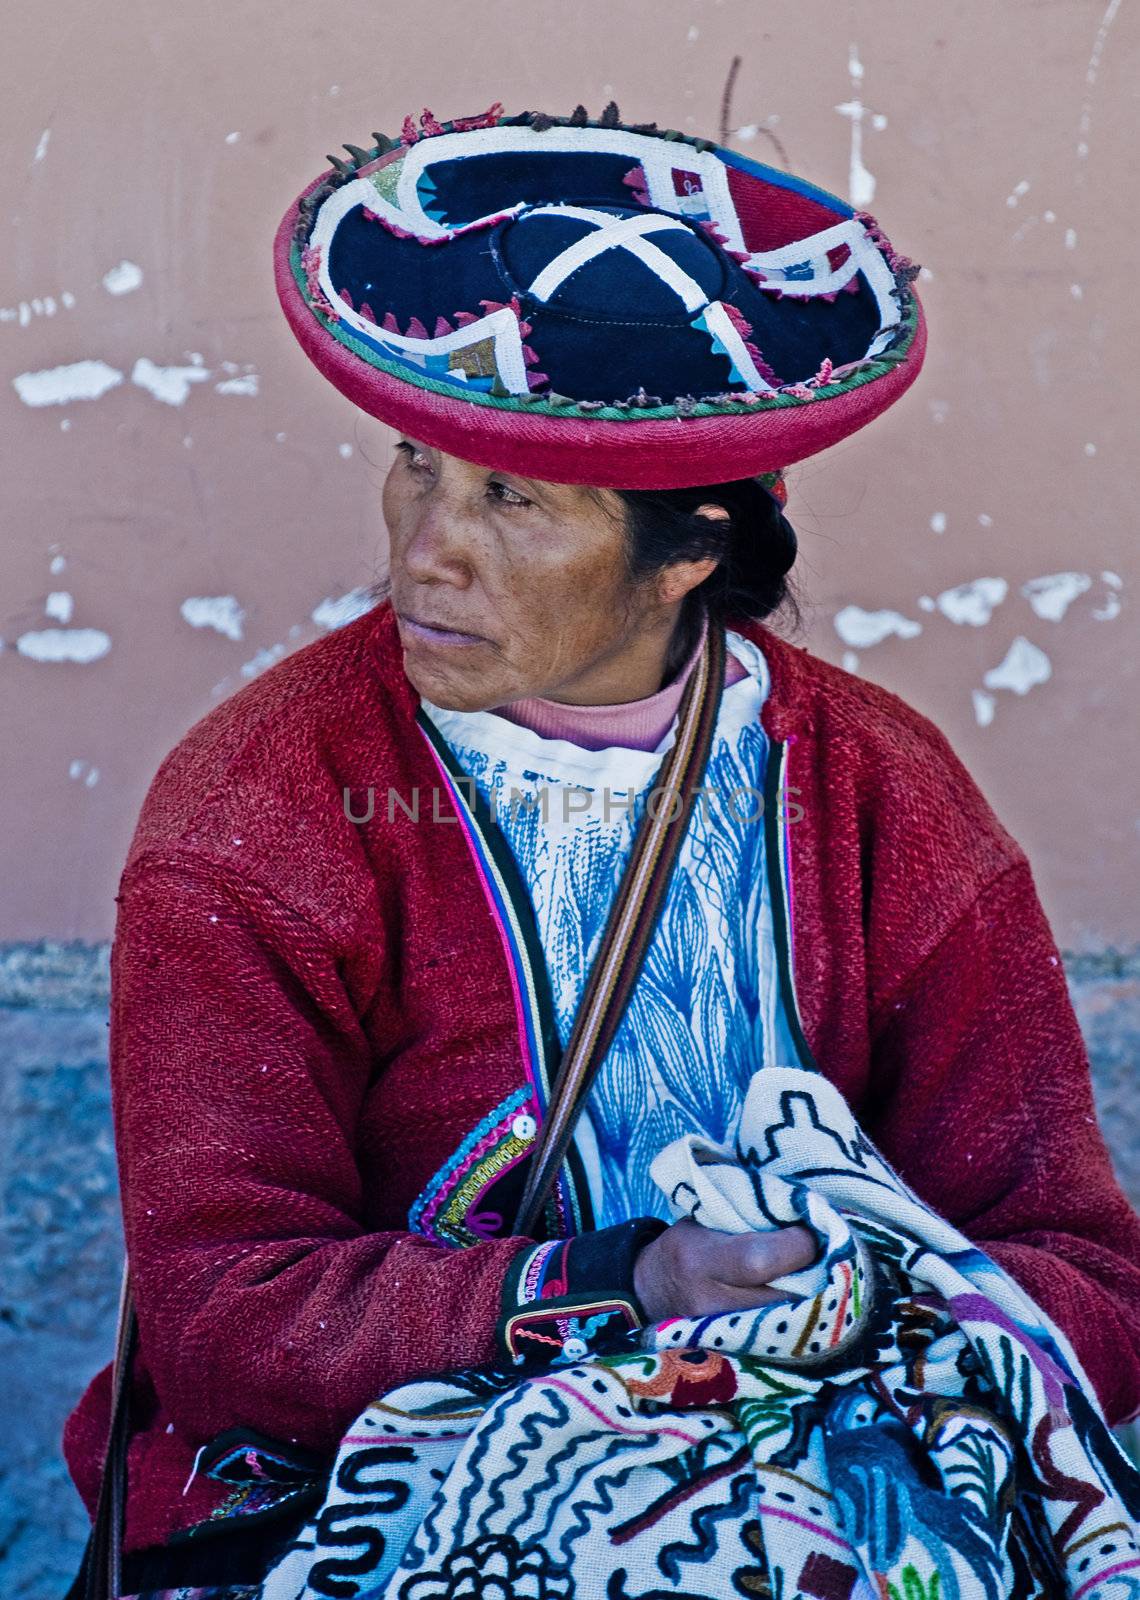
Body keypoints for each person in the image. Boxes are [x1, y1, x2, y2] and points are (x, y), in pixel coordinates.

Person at [63, 102, 1140, 1595]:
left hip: (837, 1442)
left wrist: (859, 1318)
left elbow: (1082, 1265)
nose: (425, 546)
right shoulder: (260, 810)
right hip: (378, 1479)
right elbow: (224, 1312)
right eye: (416, 466)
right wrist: (619, 1291)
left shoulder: (880, 794)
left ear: (692, 547)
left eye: (510, 497)